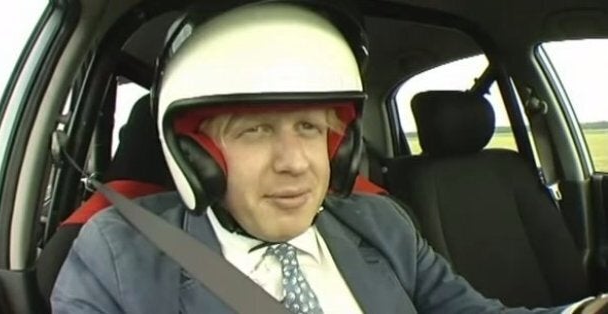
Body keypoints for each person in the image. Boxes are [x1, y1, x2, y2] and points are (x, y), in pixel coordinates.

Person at [50, 1, 607, 313]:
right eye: (255, 131)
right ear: (198, 154)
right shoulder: (119, 258)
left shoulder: (379, 223)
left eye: (311, 128)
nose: (295, 162)